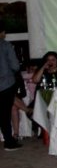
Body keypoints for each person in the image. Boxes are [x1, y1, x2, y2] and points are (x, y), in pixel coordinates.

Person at [0, 21, 22, 150]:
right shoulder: (5, 45)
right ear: (2, 32)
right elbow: (15, 66)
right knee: (5, 114)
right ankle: (8, 142)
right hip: (6, 84)